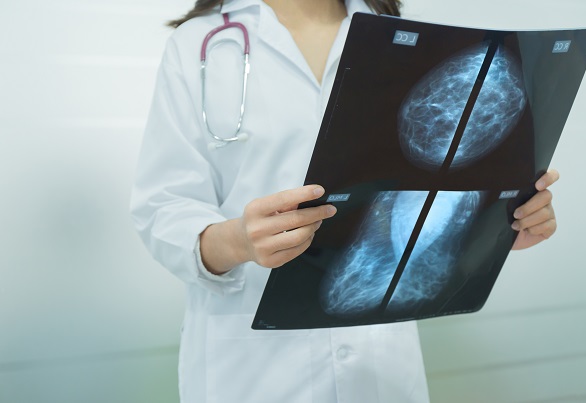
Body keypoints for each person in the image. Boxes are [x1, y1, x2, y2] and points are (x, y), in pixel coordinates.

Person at [130, 0, 559, 401]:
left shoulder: (402, 37)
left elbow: (417, 184)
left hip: (381, 367)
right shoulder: (199, 45)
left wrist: (497, 226)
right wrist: (239, 241)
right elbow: (163, 209)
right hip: (254, 367)